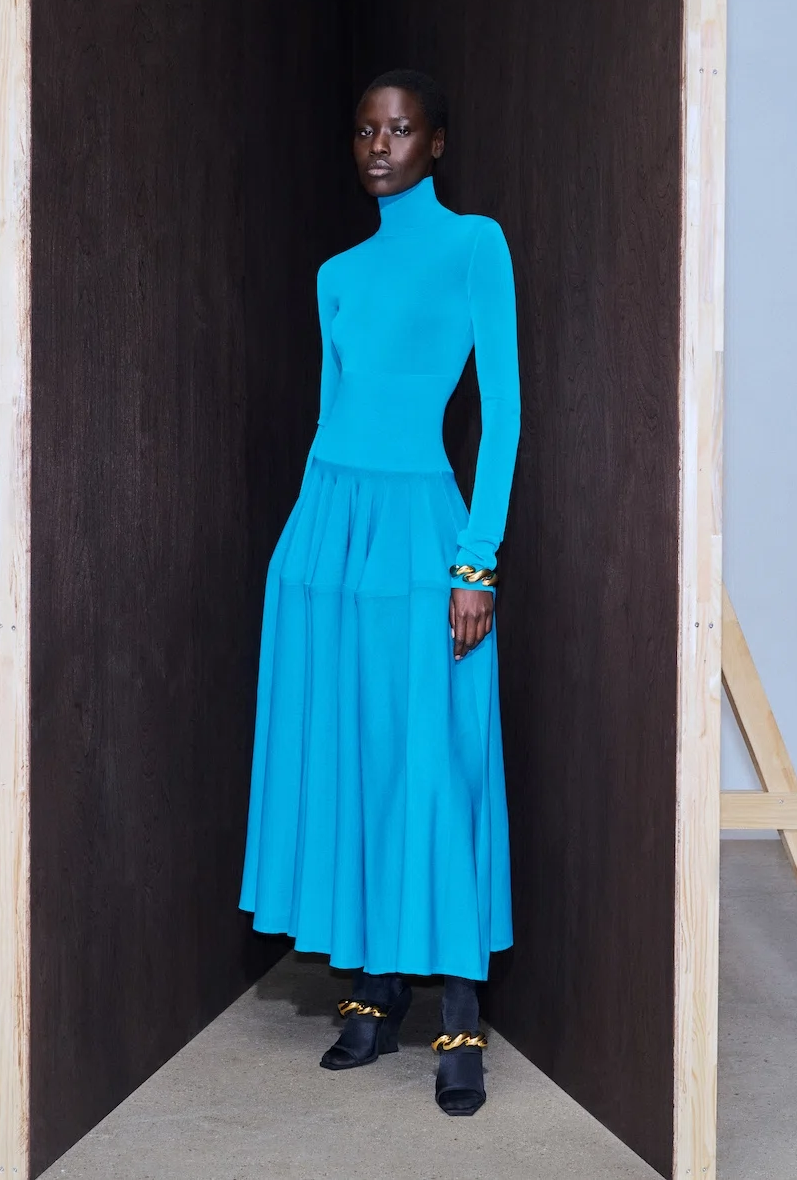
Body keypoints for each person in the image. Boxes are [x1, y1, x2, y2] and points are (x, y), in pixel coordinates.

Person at [239, 68, 521, 1116]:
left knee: (433, 759)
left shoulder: (474, 244)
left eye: (400, 130)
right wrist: (302, 546)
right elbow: (332, 413)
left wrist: (476, 560)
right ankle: (376, 982)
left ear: (436, 143)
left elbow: (504, 411)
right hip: (328, 532)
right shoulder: (336, 273)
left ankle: (461, 1005)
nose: (379, 147)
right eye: (365, 131)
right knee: (353, 754)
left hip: (422, 532)